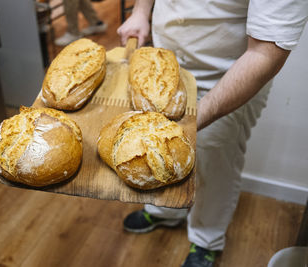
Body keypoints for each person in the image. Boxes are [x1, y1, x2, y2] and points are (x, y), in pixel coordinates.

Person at [117, 1, 308, 266]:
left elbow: (266, 53)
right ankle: (166, 211)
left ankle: (206, 239)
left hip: (225, 78)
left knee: (214, 163)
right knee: (162, 154)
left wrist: (194, 121)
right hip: (166, 62)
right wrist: (140, 12)